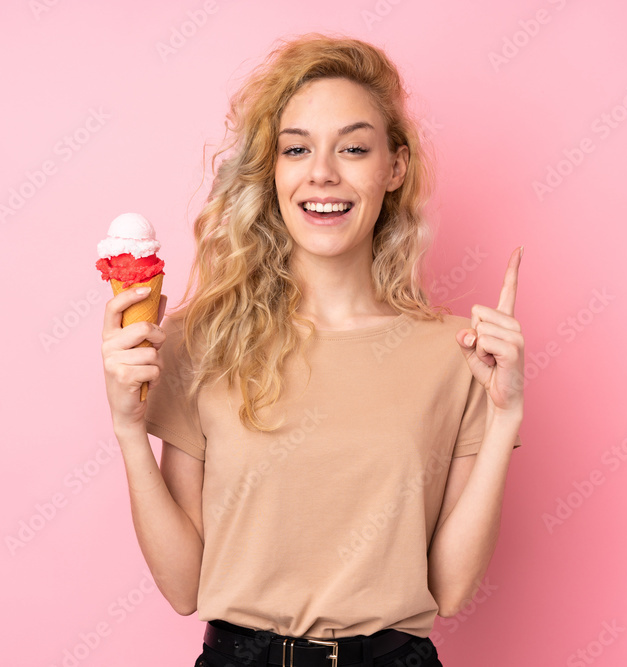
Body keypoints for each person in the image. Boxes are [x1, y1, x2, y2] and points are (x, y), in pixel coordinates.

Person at [100, 32, 524, 667]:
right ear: (273, 170)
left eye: (353, 148)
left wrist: (506, 416)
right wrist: (129, 429)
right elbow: (184, 588)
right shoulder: (201, 340)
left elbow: (451, 589)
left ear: (395, 168)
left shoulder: (459, 355)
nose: (322, 172)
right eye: (297, 149)